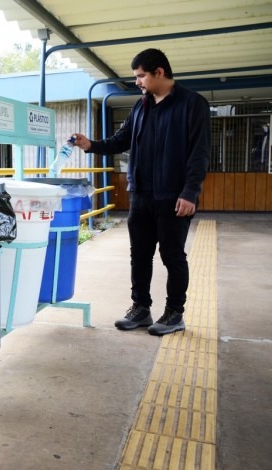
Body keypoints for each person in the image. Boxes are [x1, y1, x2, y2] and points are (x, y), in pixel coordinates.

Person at [71, 48, 210, 336]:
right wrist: (91, 145)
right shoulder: (141, 106)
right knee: (140, 255)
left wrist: (190, 191)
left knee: (173, 256)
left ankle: (174, 313)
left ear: (159, 72)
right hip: (141, 194)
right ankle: (141, 308)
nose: (137, 82)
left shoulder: (192, 104)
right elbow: (121, 140)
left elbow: (200, 153)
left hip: (173, 196)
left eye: (141, 76)